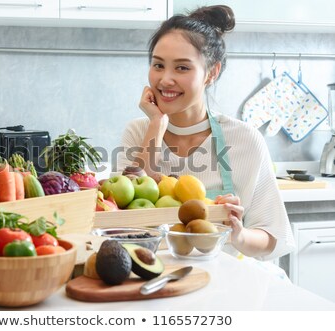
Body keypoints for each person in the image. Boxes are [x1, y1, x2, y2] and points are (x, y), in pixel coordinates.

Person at [117, 5, 295, 261]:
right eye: (158, 65)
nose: (165, 79)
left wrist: (238, 234)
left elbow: (273, 238)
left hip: (229, 282)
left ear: (211, 73)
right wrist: (156, 124)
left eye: (182, 68)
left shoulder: (244, 139)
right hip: (154, 275)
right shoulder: (138, 131)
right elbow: (129, 214)